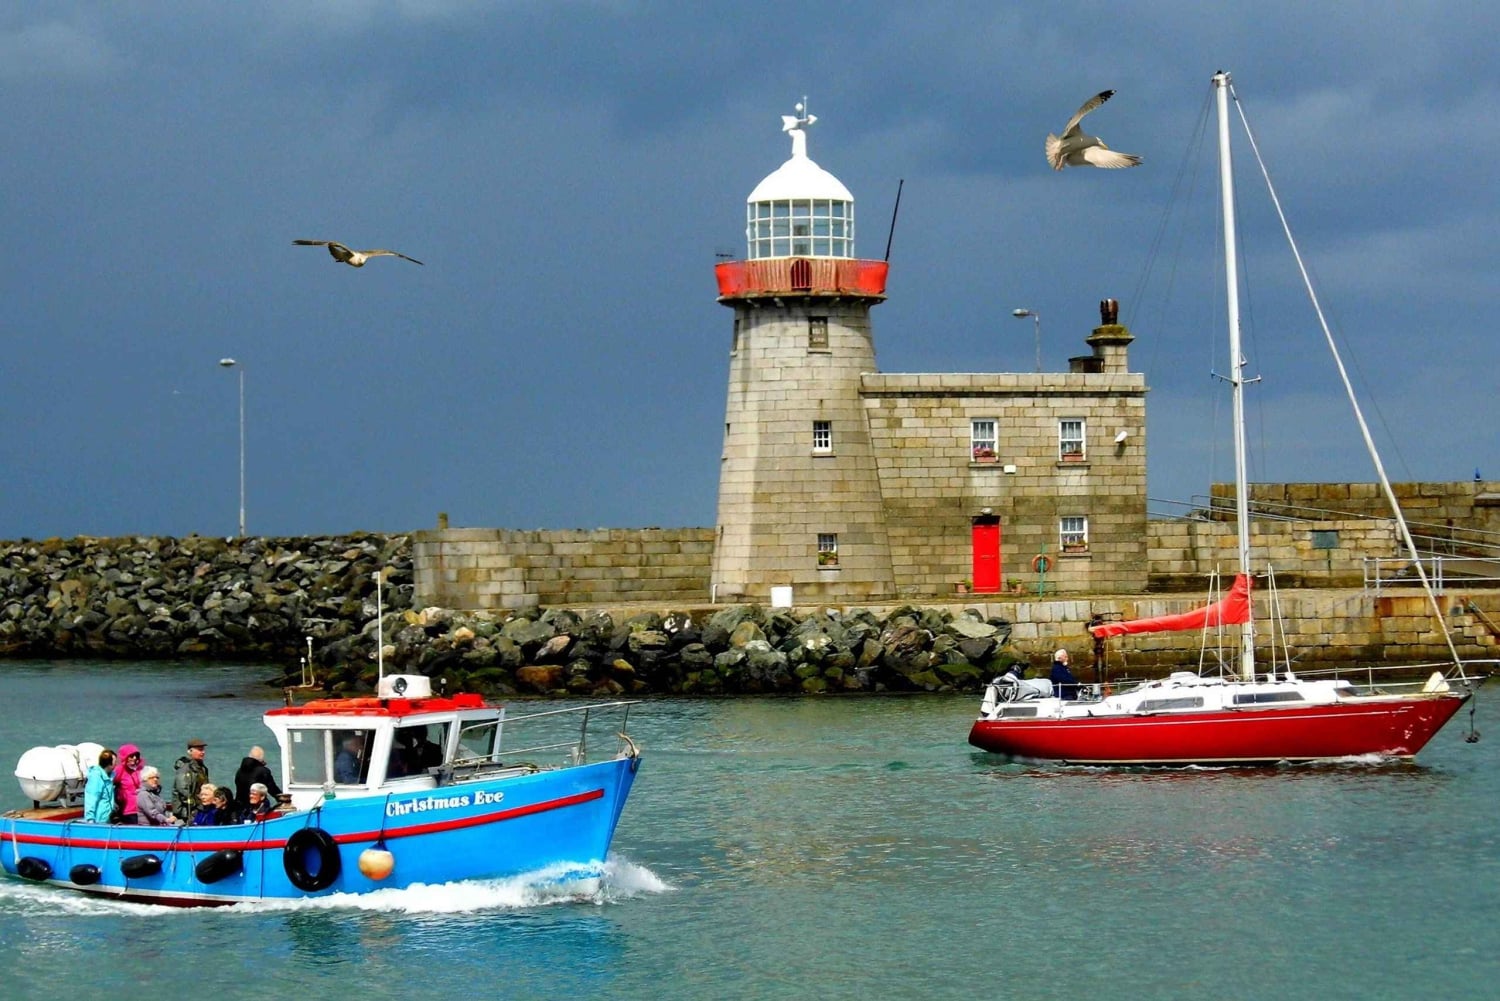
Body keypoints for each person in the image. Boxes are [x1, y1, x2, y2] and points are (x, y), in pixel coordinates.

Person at [173, 738, 210, 822]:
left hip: (201, 806)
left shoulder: (203, 768)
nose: (203, 752)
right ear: (190, 751)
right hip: (187, 810)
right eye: (200, 750)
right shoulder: (184, 769)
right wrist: (195, 805)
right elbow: (183, 790)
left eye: (203, 750)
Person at [83, 748, 118, 824]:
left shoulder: (109, 777)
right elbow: (91, 798)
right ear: (109, 764)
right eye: (115, 762)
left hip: (107, 819)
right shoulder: (96, 777)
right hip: (98, 820)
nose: (116, 764)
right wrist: (90, 819)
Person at [113, 743, 145, 824]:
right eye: (131, 756)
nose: (134, 758)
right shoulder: (120, 770)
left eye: (136, 756)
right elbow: (110, 783)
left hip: (143, 808)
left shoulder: (141, 769)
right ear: (125, 757)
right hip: (128, 809)